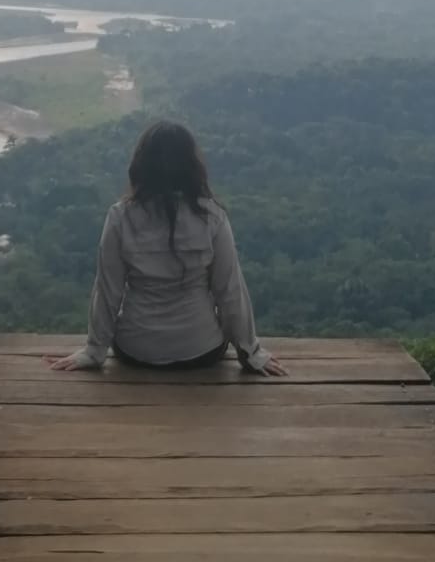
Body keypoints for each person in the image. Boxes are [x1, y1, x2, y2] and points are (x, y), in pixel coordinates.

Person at [50, 120, 285, 376]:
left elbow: (108, 291)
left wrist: (94, 351)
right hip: (201, 349)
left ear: (141, 165)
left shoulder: (120, 217)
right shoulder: (212, 217)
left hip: (136, 350)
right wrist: (251, 353)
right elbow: (229, 291)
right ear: (192, 166)